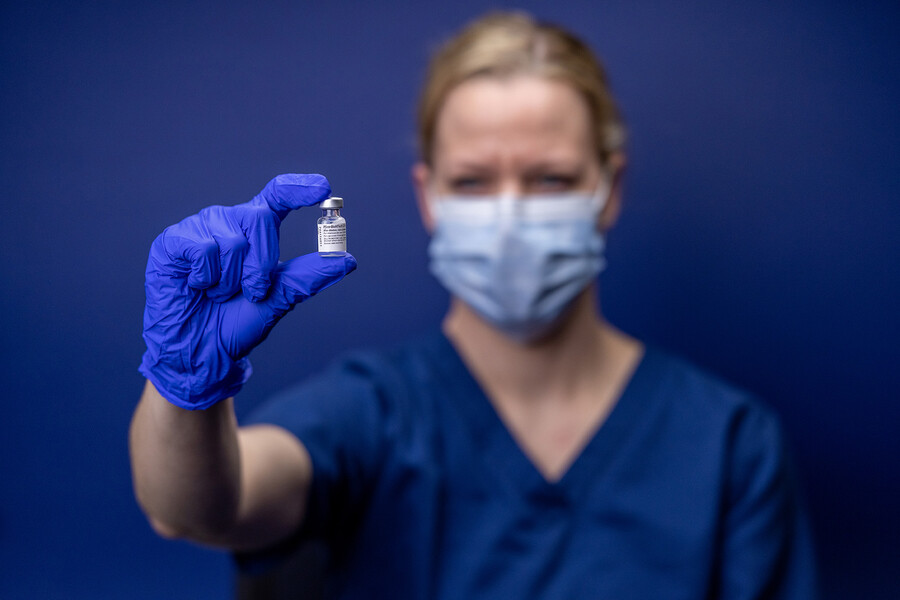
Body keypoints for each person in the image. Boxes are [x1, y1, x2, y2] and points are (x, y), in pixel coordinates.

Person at [129, 11, 817, 599]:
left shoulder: (727, 443)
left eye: (550, 178)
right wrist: (185, 384)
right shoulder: (373, 416)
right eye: (473, 181)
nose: (509, 214)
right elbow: (197, 508)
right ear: (429, 197)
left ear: (609, 189)